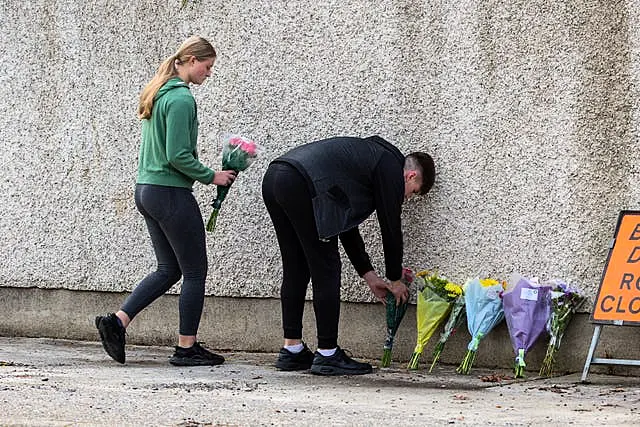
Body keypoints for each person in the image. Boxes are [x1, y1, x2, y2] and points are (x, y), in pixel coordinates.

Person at [95, 36, 237, 366]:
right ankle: (186, 348)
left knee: (169, 268)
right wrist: (211, 175)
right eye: (207, 65)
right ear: (189, 60)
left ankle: (116, 322)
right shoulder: (182, 100)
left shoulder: (158, 92)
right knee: (195, 271)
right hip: (170, 193)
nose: (209, 73)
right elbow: (177, 155)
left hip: (147, 190)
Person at [262, 135, 435, 375]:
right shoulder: (389, 167)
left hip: (277, 177)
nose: (406, 198)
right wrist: (395, 279)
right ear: (411, 176)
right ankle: (327, 353)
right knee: (327, 268)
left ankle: (292, 350)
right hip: (302, 184)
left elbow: (344, 224)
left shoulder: (367, 161)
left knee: (297, 265)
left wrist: (369, 275)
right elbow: (390, 227)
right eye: (412, 193)